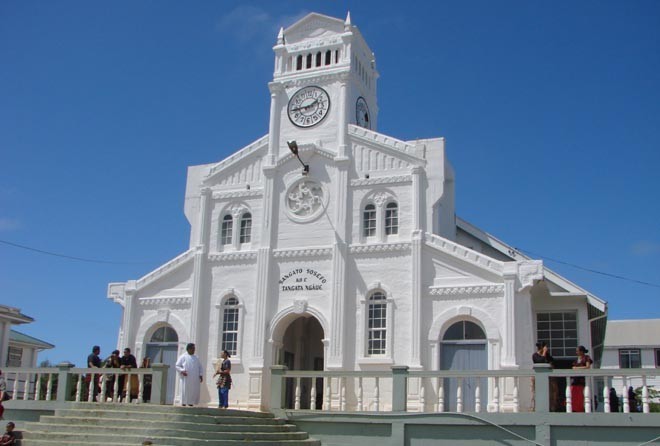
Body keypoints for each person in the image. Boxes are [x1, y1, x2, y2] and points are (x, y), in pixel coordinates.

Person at [531, 341, 557, 411]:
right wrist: (544, 352)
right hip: (538, 378)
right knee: (537, 393)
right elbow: (540, 361)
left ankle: (550, 408)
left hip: (547, 377)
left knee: (550, 393)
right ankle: (537, 408)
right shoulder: (535, 355)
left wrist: (551, 364)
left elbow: (552, 361)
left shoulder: (547, 355)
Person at [571, 345, 592, 412]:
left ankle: (580, 409)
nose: (576, 352)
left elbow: (587, 367)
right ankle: (574, 409)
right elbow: (573, 368)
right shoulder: (576, 360)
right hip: (575, 380)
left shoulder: (586, 357)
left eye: (578, 351)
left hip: (581, 380)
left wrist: (577, 368)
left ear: (582, 351)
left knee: (581, 396)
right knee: (573, 395)